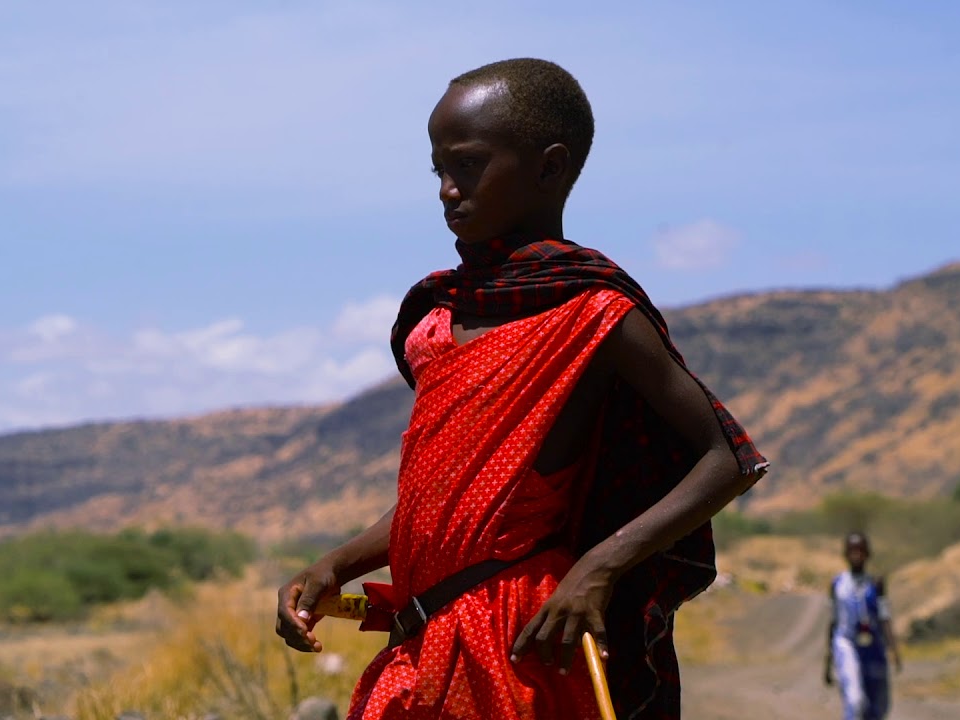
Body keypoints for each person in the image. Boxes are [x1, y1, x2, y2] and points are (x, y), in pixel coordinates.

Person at [276, 57, 768, 719]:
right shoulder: (437, 318)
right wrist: (339, 562)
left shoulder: (592, 314)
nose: (448, 189)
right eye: (438, 169)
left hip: (516, 638)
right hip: (420, 635)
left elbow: (728, 458)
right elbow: (454, 502)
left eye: (469, 165)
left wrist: (598, 568)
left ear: (550, 168)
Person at [823, 532, 903, 720]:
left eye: (860, 551)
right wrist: (828, 661)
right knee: (855, 700)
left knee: (878, 706)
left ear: (867, 554)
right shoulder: (838, 584)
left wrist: (894, 650)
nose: (856, 555)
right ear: (846, 554)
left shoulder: (875, 584)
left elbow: (884, 617)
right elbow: (833, 621)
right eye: (852, 551)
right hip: (847, 644)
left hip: (873, 647)